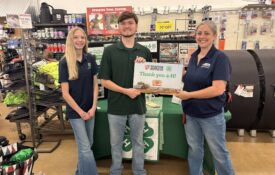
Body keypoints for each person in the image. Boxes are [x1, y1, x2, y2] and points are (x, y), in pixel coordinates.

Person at [175, 20, 235, 175]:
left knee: (219, 153)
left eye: (206, 33)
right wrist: (176, 75)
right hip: (191, 114)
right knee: (195, 149)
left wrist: (189, 95)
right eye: (199, 33)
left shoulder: (220, 58)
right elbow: (191, 79)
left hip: (211, 116)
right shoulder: (194, 56)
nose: (202, 36)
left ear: (214, 36)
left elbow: (217, 89)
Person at [98, 11, 152, 175]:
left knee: (138, 142)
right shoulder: (110, 51)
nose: (127, 26)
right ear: (119, 27)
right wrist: (125, 91)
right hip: (116, 107)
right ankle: (116, 171)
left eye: (130, 23)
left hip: (138, 106)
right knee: (115, 144)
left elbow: (151, 84)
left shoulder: (144, 51)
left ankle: (139, 171)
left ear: (136, 26)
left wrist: (143, 68)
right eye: (123, 23)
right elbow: (104, 81)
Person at [59, 27, 98, 175]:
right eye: (76, 37)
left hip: (90, 109)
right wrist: (81, 112)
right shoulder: (64, 63)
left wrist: (93, 107)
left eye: (83, 37)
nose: (80, 40)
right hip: (76, 113)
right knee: (85, 148)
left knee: (89, 144)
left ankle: (79, 172)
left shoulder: (90, 59)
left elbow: (95, 84)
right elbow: (65, 93)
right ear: (71, 39)